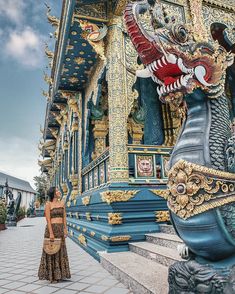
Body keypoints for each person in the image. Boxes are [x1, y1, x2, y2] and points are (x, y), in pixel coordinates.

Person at [38, 187, 71, 283]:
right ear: (53, 193)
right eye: (56, 191)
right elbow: (48, 219)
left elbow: (64, 217)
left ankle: (60, 274)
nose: (58, 192)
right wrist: (51, 233)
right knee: (51, 250)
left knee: (60, 250)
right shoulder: (48, 204)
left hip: (60, 229)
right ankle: (52, 276)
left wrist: (65, 229)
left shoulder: (62, 203)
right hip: (51, 229)